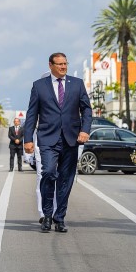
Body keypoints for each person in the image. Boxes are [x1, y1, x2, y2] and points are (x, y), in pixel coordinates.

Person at [23, 52, 92, 233]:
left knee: (66, 179)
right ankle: (46, 215)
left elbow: (86, 110)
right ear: (50, 65)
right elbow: (32, 114)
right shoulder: (39, 86)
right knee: (48, 173)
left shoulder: (77, 84)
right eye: (59, 64)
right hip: (47, 139)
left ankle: (59, 217)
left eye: (65, 64)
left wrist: (85, 130)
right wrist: (28, 139)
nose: (63, 67)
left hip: (71, 139)